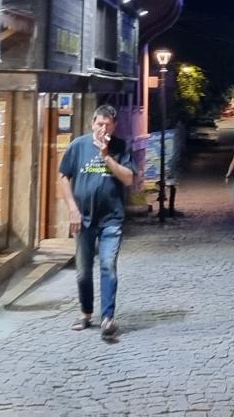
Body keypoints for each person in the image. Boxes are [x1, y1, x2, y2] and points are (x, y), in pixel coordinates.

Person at [60, 104, 137, 339]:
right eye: (99, 124)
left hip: (111, 219)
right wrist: (72, 209)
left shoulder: (121, 147)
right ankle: (86, 313)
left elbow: (128, 179)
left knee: (108, 265)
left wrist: (106, 157)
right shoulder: (78, 145)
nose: (103, 129)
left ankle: (107, 318)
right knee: (83, 271)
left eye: (107, 125)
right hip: (83, 218)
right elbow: (63, 177)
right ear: (92, 123)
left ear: (114, 126)